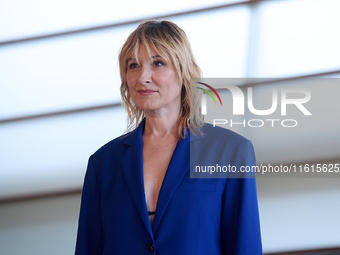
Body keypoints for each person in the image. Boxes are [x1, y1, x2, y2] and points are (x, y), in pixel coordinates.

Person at [75, 20, 262, 255]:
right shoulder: (103, 163)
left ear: (183, 72)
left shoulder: (231, 151)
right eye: (133, 65)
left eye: (158, 63)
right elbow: (88, 248)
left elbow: (245, 247)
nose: (143, 76)